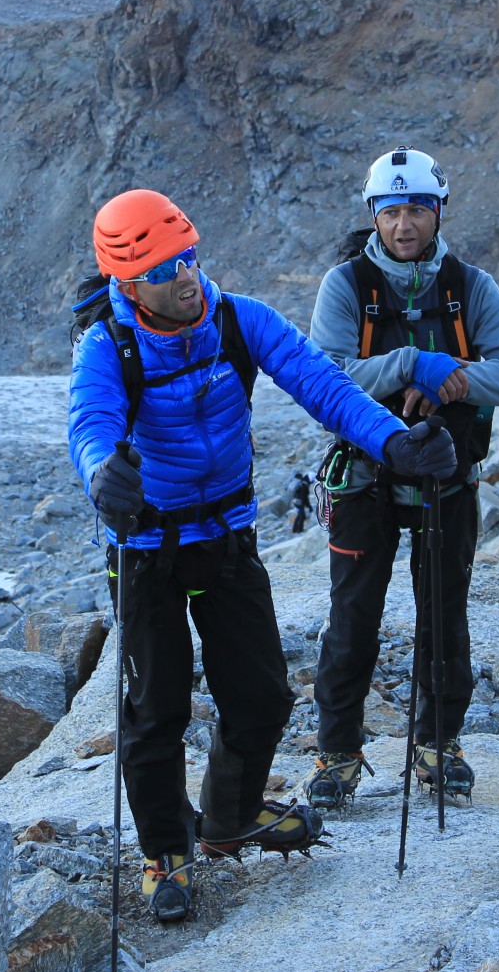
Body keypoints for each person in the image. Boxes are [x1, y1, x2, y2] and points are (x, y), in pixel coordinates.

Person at [69, 188, 457, 924]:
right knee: (156, 710)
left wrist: (394, 442)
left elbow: (323, 384)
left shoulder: (238, 319)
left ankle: (227, 817)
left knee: (263, 695)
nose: (186, 277)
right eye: (163, 269)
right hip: (146, 548)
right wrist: (102, 474)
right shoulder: (107, 348)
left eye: (189, 256)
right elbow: (91, 423)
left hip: (226, 538)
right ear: (128, 282)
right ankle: (165, 850)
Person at [304, 147, 499, 810]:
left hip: (448, 476)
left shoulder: (471, 287)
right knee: (353, 619)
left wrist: (454, 380)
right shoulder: (346, 286)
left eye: (416, 209)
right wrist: (416, 363)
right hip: (365, 479)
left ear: (438, 212)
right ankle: (337, 755)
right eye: (391, 211)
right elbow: (322, 378)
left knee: (444, 618)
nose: (404, 224)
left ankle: (440, 743)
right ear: (373, 215)